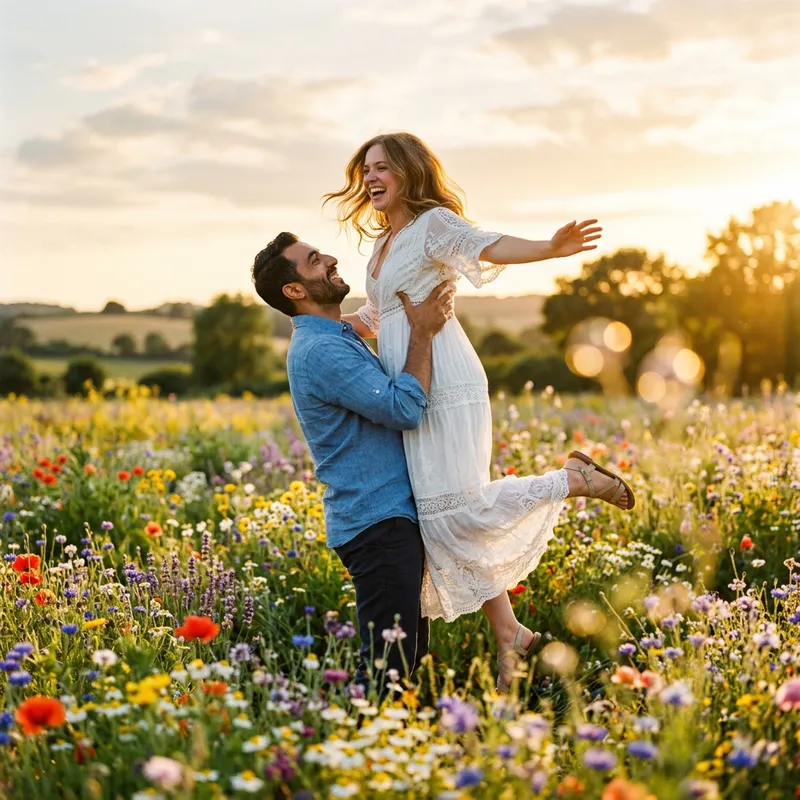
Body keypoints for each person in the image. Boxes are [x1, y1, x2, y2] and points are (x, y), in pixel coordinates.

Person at [324, 132, 635, 692]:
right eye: (365, 169)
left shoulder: (432, 226)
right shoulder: (382, 246)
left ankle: (571, 480)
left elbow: (488, 244)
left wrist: (549, 247)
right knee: (440, 514)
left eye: (383, 168)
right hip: (409, 380)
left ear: (410, 173)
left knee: (453, 508)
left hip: (445, 375)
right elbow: (374, 314)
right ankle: (510, 633)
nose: (370, 178)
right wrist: (315, 330)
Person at [250, 232, 455, 691]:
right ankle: (359, 749)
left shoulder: (334, 335)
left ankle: (386, 748)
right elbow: (403, 409)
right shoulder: (321, 350)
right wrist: (422, 333)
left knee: (404, 655)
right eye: (314, 260)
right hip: (375, 522)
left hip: (383, 518)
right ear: (295, 291)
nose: (330, 260)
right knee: (388, 664)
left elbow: (367, 318)